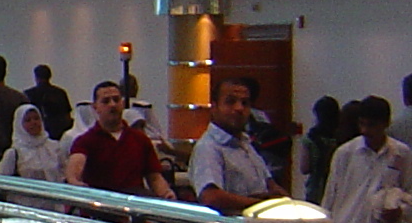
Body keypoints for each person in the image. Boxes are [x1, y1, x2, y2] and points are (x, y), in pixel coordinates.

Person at [189, 77, 285, 213]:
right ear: (214, 107)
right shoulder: (209, 147)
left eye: (245, 103)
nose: (239, 108)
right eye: (230, 102)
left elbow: (270, 185)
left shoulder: (246, 144)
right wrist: (261, 206)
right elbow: (211, 197)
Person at [67, 81, 174, 197]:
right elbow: (75, 168)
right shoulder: (85, 141)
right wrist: (75, 182)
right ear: (95, 107)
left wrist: (166, 193)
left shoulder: (140, 139)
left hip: (134, 205)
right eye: (106, 101)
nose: (112, 105)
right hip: (101, 205)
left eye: (116, 100)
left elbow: (154, 177)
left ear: (122, 103)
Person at [324, 96, 412, 223]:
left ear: (386, 124)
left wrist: (401, 211)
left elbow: (408, 190)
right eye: (361, 124)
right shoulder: (345, 153)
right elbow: (330, 196)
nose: (365, 130)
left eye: (371, 125)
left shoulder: (401, 153)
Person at [301, 95, 352, 203]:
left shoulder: (310, 138)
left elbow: (305, 168)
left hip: (316, 189)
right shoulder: (342, 137)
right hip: (339, 188)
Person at [4, 102, 67, 181]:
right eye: (28, 120)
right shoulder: (14, 153)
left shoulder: (54, 147)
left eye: (36, 118)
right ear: (19, 125)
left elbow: (64, 172)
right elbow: (3, 181)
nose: (34, 123)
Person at [23, 64, 74, 142]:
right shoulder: (60, 93)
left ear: (36, 77)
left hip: (36, 134)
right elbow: (67, 116)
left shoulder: (29, 94)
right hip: (58, 134)